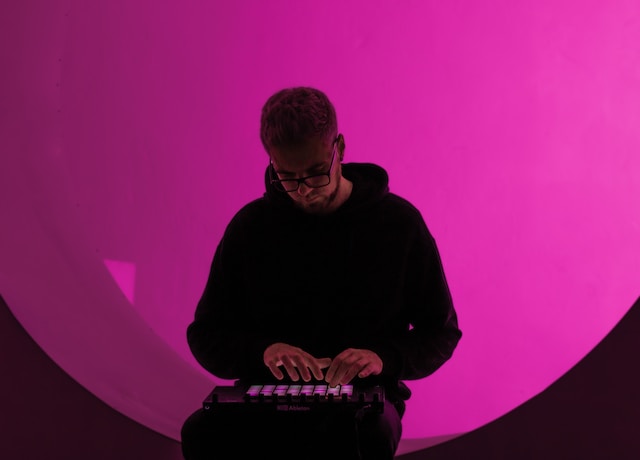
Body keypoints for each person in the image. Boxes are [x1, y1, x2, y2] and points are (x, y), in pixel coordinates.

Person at [180, 86, 462, 460]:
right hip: (266, 399)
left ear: (339, 149)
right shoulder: (250, 228)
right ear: (271, 162)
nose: (303, 191)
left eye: (315, 174)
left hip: (362, 405)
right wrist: (263, 352)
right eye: (286, 177)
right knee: (201, 433)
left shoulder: (400, 224)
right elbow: (205, 335)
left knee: (361, 438)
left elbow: (441, 333)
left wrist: (383, 358)